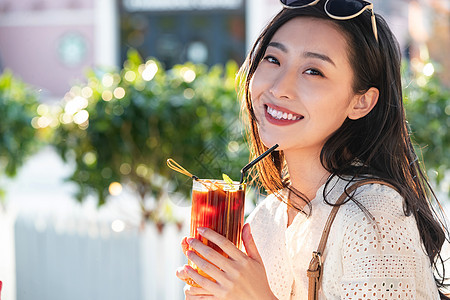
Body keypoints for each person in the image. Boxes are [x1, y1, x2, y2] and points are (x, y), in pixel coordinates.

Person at [176, 0, 449, 299]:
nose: (280, 87)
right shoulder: (266, 219)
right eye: (273, 60)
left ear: (361, 102)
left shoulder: (374, 217)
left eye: (313, 71)